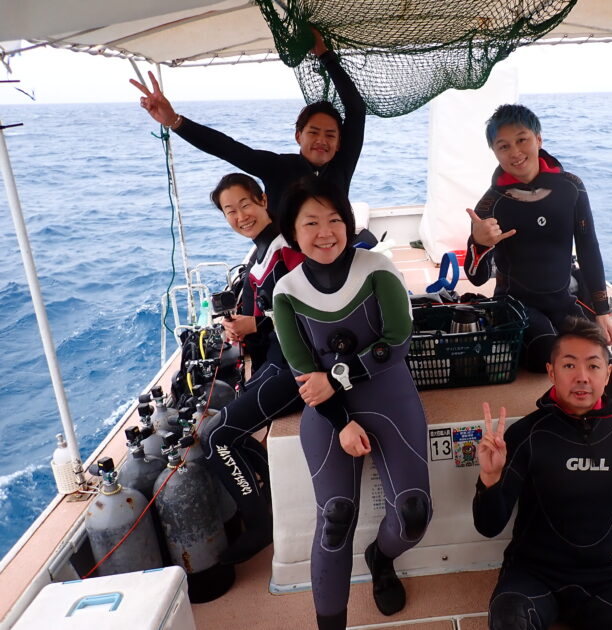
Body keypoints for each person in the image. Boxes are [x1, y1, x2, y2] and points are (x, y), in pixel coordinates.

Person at [463, 103, 612, 500]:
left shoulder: (570, 187)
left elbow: (588, 250)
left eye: (522, 140)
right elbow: (475, 276)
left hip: (562, 300)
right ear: (495, 153)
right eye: (503, 146)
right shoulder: (491, 203)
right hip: (516, 305)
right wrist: (478, 243)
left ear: (538, 139)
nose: (515, 151)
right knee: (551, 359)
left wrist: (603, 311)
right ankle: (575, 445)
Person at [272, 176, 431, 630]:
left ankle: (381, 558)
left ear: (348, 223)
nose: (326, 232)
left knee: (414, 513)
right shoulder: (285, 292)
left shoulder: (377, 267)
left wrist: (338, 376)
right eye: (311, 223)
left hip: (390, 396)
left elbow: (396, 342)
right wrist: (340, 419)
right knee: (336, 516)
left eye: (335, 219)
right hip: (327, 414)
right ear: (293, 231)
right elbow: (307, 377)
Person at [474, 318, 612, 630]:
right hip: (530, 574)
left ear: (608, 374)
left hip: (598, 579)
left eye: (594, 366)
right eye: (569, 366)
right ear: (551, 372)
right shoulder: (528, 433)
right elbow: (488, 526)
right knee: (508, 622)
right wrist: (489, 478)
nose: (582, 377)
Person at [130, 28, 365, 222]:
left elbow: (356, 111)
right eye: (313, 132)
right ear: (298, 137)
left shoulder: (342, 165)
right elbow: (226, 148)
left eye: (330, 135)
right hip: (287, 263)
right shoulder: (277, 166)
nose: (322, 140)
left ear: (339, 143)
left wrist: (325, 56)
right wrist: (174, 121)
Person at [197, 173, 304, 565]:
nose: (240, 215)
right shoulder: (259, 252)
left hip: (296, 367)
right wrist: (242, 327)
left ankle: (258, 527)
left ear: (262, 200)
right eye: (229, 210)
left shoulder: (288, 248)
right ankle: (269, 499)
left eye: (245, 204)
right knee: (230, 426)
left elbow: (310, 309)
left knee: (216, 437)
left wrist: (256, 324)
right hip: (275, 359)